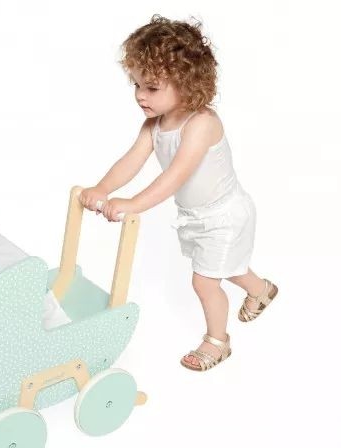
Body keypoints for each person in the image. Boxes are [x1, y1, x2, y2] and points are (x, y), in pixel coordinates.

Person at [79, 14, 278, 372]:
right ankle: (261, 289)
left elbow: (175, 176)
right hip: (195, 216)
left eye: (152, 87)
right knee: (225, 267)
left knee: (204, 280)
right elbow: (131, 160)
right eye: (136, 85)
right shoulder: (153, 125)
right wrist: (103, 188)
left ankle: (217, 342)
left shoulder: (202, 124)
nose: (140, 95)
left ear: (187, 83)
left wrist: (133, 204)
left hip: (225, 215)